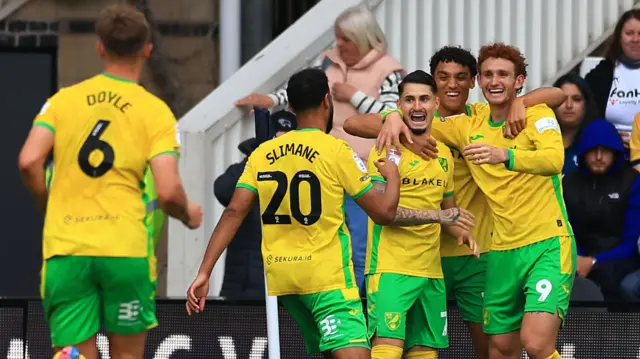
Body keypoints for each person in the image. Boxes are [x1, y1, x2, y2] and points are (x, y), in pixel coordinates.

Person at [343, 45, 567, 359]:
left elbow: (557, 95)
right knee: (406, 347)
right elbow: (353, 125)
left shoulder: (476, 118)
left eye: (462, 77)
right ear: (433, 87)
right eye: (444, 78)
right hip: (422, 254)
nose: (453, 84)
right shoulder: (431, 124)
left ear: (472, 82)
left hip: (477, 250)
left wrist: (523, 102)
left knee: (497, 346)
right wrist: (396, 122)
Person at [17, 4, 203, 359]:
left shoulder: (62, 101)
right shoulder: (155, 111)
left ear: (100, 47)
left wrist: (49, 205)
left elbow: (28, 161)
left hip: (67, 247)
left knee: (75, 352)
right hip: (124, 249)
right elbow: (167, 190)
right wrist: (188, 213)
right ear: (147, 49)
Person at [186, 68, 402, 359]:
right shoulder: (336, 150)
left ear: (289, 106)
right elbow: (384, 213)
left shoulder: (263, 153)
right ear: (327, 101)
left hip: (284, 280)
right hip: (326, 279)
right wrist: (392, 174)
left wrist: (204, 272)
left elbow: (234, 211)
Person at [236, 6, 406, 293]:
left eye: (345, 39)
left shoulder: (388, 70)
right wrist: (271, 99)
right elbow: (303, 91)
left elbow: (391, 115)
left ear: (363, 38)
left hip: (362, 165)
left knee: (360, 243)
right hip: (323, 161)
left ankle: (360, 300)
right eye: (338, 38)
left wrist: (355, 96)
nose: (339, 45)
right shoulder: (330, 62)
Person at [364, 70, 479, 359]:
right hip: (391, 269)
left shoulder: (443, 155)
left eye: (425, 99)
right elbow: (384, 213)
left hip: (430, 272)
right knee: (387, 352)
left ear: (437, 104)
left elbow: (447, 211)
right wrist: (440, 218)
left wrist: (463, 233)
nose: (417, 106)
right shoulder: (385, 149)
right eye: (410, 100)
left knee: (425, 354)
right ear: (399, 107)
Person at [214, 110, 297, 300]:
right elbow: (222, 189)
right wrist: (259, 157)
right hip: (240, 282)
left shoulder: (303, 173)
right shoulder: (250, 166)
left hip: (285, 284)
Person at [563, 119, 640, 304]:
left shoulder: (632, 181)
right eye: (592, 150)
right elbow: (566, 230)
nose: (598, 157)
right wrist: (579, 259)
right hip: (576, 256)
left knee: (610, 278)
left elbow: (631, 242)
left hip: (619, 260)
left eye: (605, 150)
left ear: (615, 153)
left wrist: (594, 261)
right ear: (583, 153)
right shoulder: (569, 183)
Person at [585, 8, 640, 151]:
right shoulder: (602, 74)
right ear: (619, 37)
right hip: (611, 156)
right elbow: (586, 119)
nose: (635, 39)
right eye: (629, 33)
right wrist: (609, 137)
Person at [551, 73, 599, 174]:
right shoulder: (539, 140)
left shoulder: (596, 145)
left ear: (586, 104)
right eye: (562, 99)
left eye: (576, 99)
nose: (569, 105)